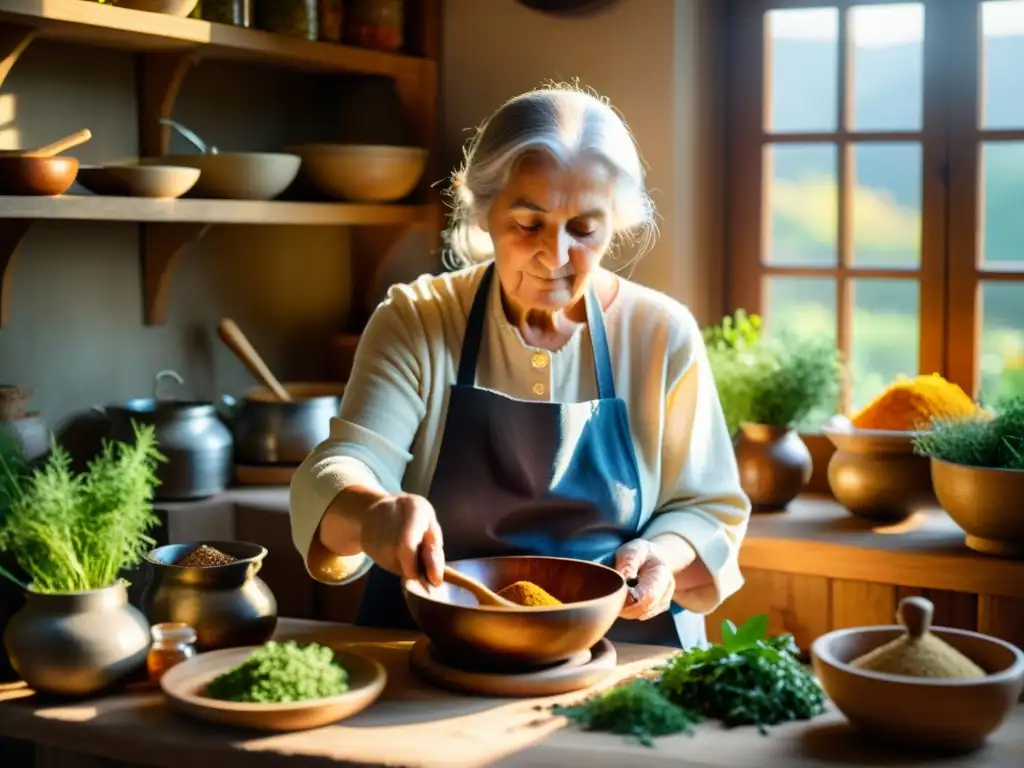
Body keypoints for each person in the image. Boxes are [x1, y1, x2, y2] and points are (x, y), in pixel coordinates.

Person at [289, 84, 750, 649]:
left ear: (616, 224)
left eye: (584, 229)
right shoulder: (418, 319)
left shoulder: (661, 334)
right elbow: (340, 467)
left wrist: (665, 556)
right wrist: (375, 514)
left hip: (622, 650)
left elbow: (709, 507)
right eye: (529, 223)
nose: (554, 257)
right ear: (485, 210)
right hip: (436, 645)